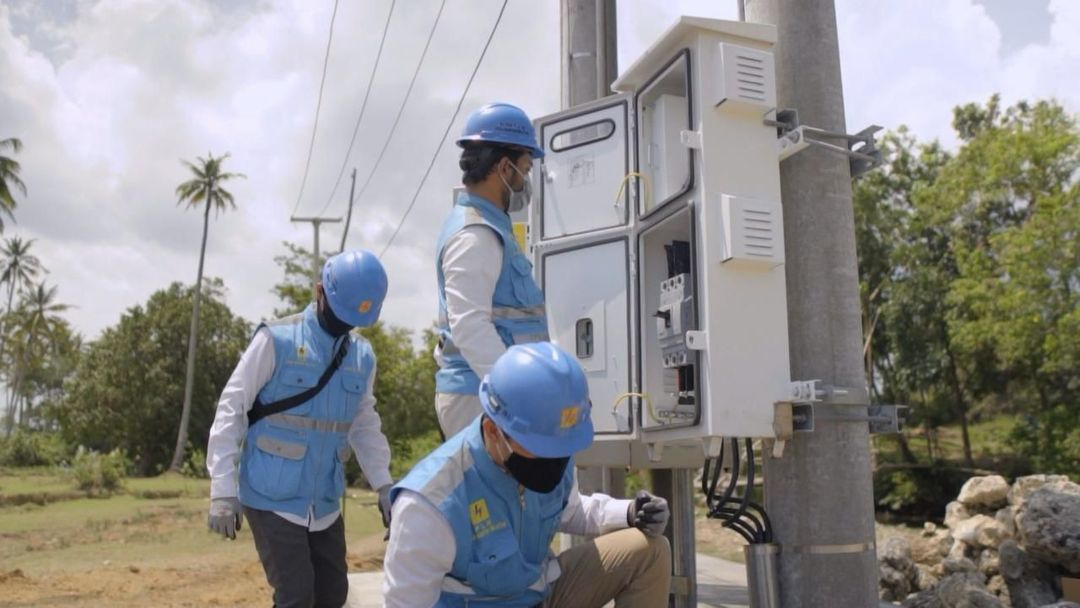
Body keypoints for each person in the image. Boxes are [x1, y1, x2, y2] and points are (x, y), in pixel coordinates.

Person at [384, 342, 672, 607]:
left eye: (561, 447)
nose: (555, 461)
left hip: (541, 595)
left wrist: (630, 512)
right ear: (493, 431)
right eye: (541, 449)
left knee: (649, 550)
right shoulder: (430, 505)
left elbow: (570, 511)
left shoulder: (552, 444)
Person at [206, 249, 394, 608]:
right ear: (319, 290)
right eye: (341, 316)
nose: (345, 326)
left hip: (324, 501)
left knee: (332, 596)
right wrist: (222, 491)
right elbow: (232, 408)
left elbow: (365, 424)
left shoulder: (361, 356)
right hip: (270, 496)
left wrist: (384, 483)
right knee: (296, 596)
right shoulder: (276, 340)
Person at [433, 102, 550, 437]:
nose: (526, 180)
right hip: (483, 397)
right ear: (503, 167)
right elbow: (470, 327)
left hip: (490, 392)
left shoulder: (490, 227)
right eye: (525, 170)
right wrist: (516, 392)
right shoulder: (475, 234)